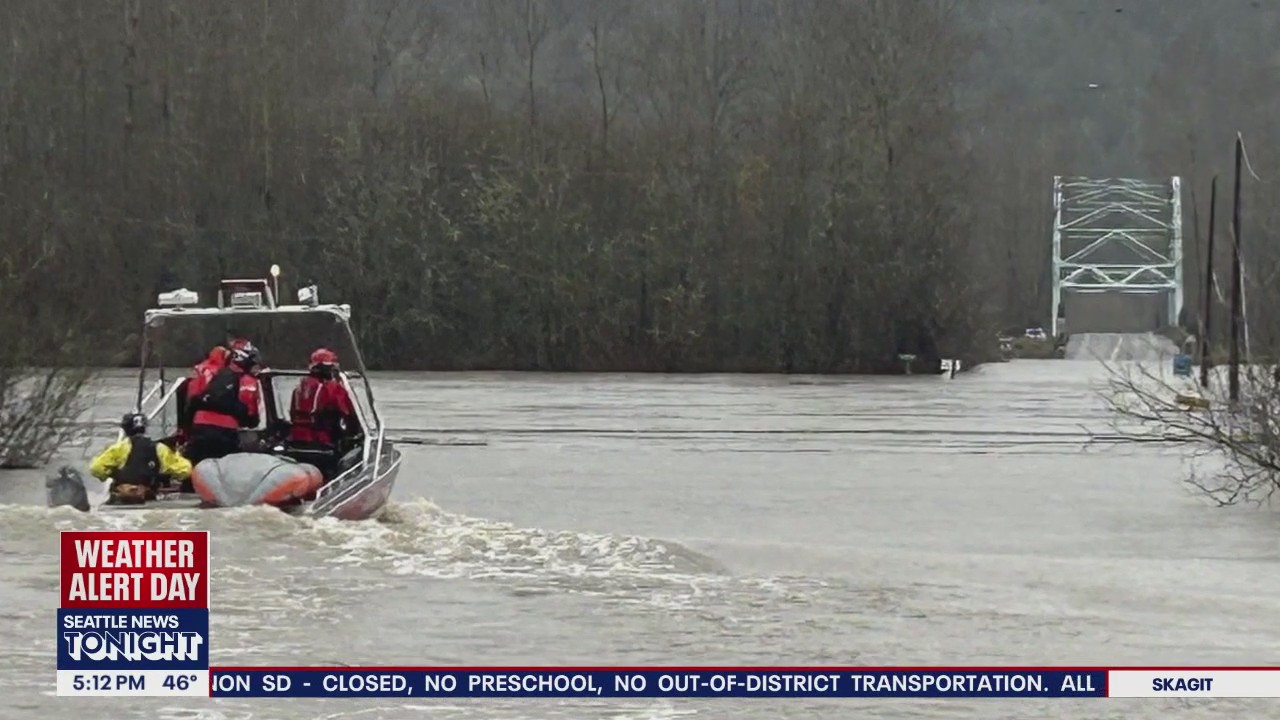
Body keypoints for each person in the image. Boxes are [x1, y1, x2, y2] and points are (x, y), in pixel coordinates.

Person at [185, 341, 263, 480]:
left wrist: (187, 429)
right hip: (225, 432)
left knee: (195, 474)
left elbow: (192, 399)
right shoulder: (247, 381)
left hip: (199, 428)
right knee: (225, 476)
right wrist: (251, 420)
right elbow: (250, 414)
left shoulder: (210, 373)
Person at [90, 413, 193, 505]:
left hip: (122, 495)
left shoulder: (117, 448)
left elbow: (96, 468)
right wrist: (174, 458)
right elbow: (185, 470)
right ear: (145, 428)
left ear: (125, 429)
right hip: (146, 496)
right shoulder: (160, 448)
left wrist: (111, 473)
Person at [289, 348, 357, 449]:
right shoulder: (333, 388)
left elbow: (293, 413)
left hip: (296, 437)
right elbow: (348, 414)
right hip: (321, 439)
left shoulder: (299, 388)